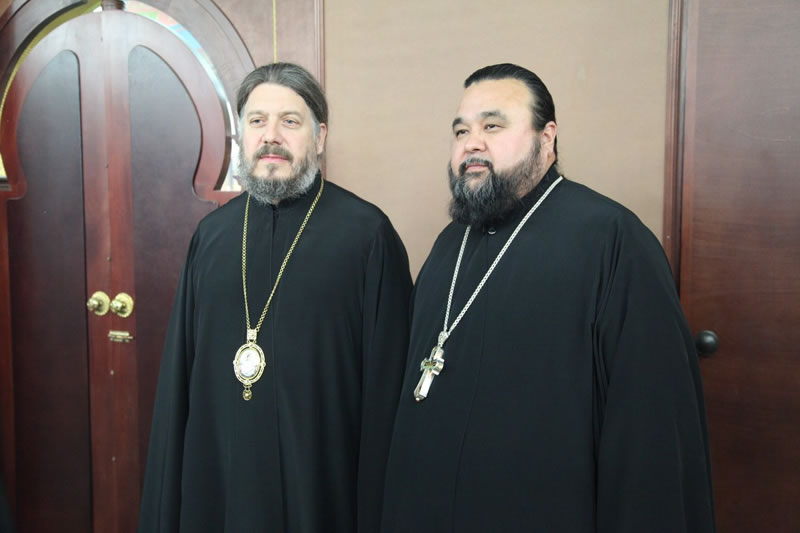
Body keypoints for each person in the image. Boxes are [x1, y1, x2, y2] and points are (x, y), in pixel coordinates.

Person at [380, 63, 715, 532]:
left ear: (547, 137)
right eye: (461, 131)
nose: (472, 143)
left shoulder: (613, 241)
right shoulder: (448, 245)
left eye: (492, 126)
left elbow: (651, 434)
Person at [139, 62, 412, 532]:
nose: (271, 136)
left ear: (319, 137)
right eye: (257, 121)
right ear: (241, 136)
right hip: (220, 479)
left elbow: (388, 397)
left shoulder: (367, 236)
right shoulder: (212, 237)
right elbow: (179, 383)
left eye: (290, 121)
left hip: (321, 484)